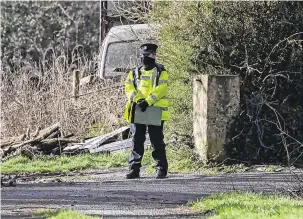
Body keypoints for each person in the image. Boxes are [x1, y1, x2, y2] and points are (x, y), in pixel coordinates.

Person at [123, 43, 169, 179]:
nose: (148, 58)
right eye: (145, 55)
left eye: (150, 55)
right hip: (138, 109)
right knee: (137, 140)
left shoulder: (161, 71)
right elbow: (128, 88)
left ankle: (161, 168)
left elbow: (162, 88)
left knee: (156, 140)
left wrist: (148, 101)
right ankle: (134, 169)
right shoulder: (134, 72)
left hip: (154, 109)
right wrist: (138, 100)